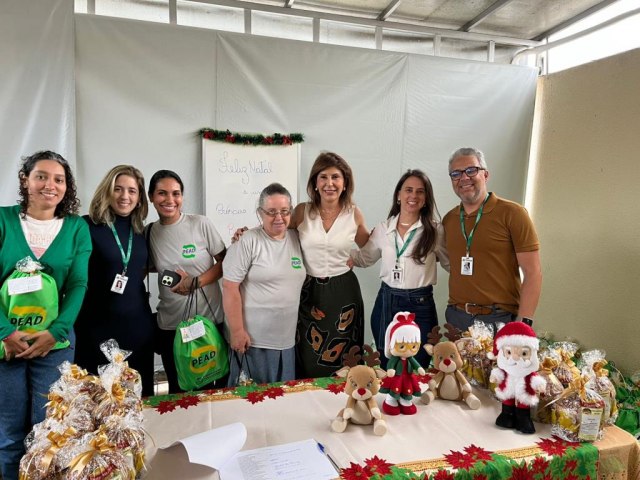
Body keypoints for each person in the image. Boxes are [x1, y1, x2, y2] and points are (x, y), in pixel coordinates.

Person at [0, 151, 91, 480]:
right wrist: (5, 332)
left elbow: (78, 283)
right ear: (25, 179)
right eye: (41, 176)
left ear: (67, 187)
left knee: (49, 431)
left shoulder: (76, 228)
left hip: (54, 344)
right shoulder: (3, 220)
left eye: (58, 179)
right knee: (9, 433)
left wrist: (57, 332)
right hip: (5, 344)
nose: (50, 185)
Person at [351, 169, 449, 369]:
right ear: (398, 195)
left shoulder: (435, 231)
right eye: (408, 190)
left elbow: (450, 263)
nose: (413, 196)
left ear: (426, 198)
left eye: (420, 191)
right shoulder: (383, 229)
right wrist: (336, 252)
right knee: (388, 364)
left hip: (421, 304)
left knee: (419, 364)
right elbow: (364, 259)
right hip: (387, 301)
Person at [74, 165, 155, 396]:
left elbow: (139, 270)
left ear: (139, 198)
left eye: (132, 191)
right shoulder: (86, 226)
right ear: (107, 191)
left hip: (138, 329)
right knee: (97, 402)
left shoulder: (141, 232)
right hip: (96, 330)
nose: (124, 196)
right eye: (118, 189)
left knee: (138, 401)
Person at [443, 147, 542, 332]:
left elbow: (533, 272)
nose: (464, 178)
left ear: (486, 175)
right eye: (456, 174)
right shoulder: (449, 220)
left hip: (499, 319)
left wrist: (523, 323)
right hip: (457, 317)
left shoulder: (513, 213)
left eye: (471, 170)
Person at [147, 170, 227, 393]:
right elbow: (148, 268)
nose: (170, 200)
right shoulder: (149, 232)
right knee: (180, 393)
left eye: (176, 193)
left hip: (208, 323)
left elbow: (225, 262)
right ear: (151, 196)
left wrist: (196, 282)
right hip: (171, 326)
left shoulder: (200, 224)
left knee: (215, 391)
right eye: (162, 193)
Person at [292, 152, 369, 378]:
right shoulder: (301, 211)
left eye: (335, 177)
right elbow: (275, 238)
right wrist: (246, 234)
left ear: (345, 183)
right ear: (315, 183)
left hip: (344, 294)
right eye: (323, 177)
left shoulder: (354, 214)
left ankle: (345, 397)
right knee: (308, 354)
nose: (329, 183)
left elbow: (371, 247)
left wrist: (356, 258)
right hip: (309, 293)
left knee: (345, 358)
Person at [223, 183, 306, 385]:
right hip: (253, 342)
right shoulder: (247, 241)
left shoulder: (297, 238)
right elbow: (229, 287)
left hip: (286, 341)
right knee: (251, 399)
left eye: (284, 211)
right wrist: (237, 331)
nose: (279, 217)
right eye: (271, 212)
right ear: (260, 213)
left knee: (282, 398)